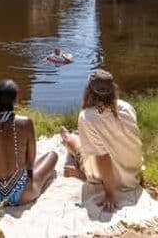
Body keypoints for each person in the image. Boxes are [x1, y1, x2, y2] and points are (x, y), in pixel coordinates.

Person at [60, 69, 143, 212]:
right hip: (132, 176)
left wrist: (110, 195)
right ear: (112, 90)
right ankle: (71, 138)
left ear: (89, 91)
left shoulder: (87, 116)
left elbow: (103, 159)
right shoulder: (126, 107)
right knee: (89, 141)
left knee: (72, 141)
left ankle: (68, 141)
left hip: (113, 180)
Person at [0, 79, 58, 206]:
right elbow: (30, 161)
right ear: (14, 99)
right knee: (53, 155)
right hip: (22, 194)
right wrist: (30, 179)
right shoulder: (25, 122)